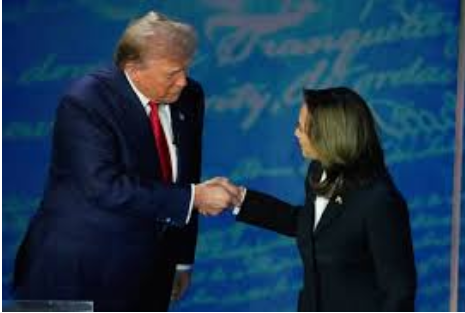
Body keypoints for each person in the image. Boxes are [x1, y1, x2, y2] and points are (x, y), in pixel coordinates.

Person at [13, 11, 241, 311]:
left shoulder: (189, 95)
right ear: (133, 69)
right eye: (172, 73)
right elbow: (103, 187)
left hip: (149, 271)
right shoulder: (86, 101)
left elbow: (186, 174)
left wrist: (182, 259)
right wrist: (195, 197)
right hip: (76, 275)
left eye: (186, 69)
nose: (183, 81)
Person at [233, 87, 417, 311]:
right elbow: (311, 227)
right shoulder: (318, 171)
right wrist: (238, 199)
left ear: (328, 136)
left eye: (301, 127)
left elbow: (399, 293)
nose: (296, 134)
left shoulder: (379, 201)